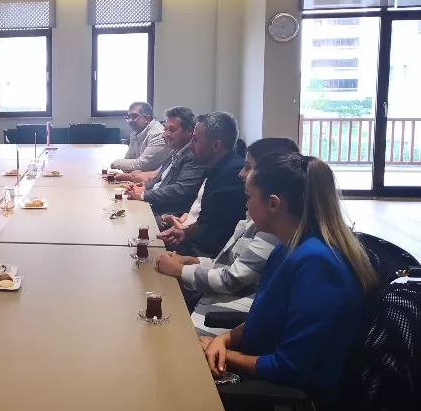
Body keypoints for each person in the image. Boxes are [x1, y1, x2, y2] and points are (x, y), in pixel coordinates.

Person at [201, 153, 376, 395]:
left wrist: (224, 354)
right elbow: (265, 319)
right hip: (257, 366)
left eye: (249, 197)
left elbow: (289, 368)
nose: (246, 205)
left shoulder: (316, 263)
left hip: (277, 393)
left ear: (273, 204)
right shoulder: (288, 248)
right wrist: (224, 339)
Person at [155, 138, 300, 335]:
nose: (241, 173)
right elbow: (230, 264)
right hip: (214, 302)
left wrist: (180, 270)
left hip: (223, 315)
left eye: (248, 167)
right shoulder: (260, 218)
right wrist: (189, 261)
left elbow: (232, 279)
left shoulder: (274, 229)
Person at [156, 112, 247, 260]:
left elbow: (217, 239)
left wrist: (182, 261)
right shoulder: (215, 167)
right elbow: (205, 222)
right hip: (195, 247)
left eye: (195, 139)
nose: (190, 145)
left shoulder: (233, 176)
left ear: (216, 145)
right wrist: (184, 232)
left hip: (208, 260)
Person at [122, 106, 205, 216]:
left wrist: (143, 194)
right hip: (155, 205)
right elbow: (159, 180)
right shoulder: (175, 151)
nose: (165, 134)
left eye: (172, 130)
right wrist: (141, 187)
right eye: (165, 129)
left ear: (189, 131)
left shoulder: (194, 155)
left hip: (168, 214)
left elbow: (180, 190)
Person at [111, 102, 170, 177]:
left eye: (134, 116)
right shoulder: (135, 133)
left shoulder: (158, 134)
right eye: (129, 117)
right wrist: (131, 171)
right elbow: (128, 158)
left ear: (146, 118)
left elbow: (143, 165)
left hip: (157, 180)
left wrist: (115, 163)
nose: (130, 121)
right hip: (141, 178)